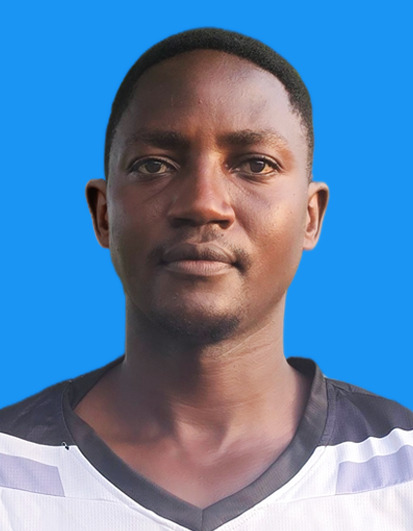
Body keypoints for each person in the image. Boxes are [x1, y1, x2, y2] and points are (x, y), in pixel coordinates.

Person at [0, 28, 412, 531]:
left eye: (255, 164)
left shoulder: (402, 472)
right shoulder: (8, 470)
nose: (203, 203)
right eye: (155, 165)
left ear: (310, 217)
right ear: (104, 213)